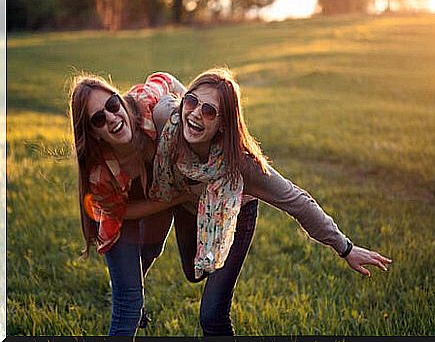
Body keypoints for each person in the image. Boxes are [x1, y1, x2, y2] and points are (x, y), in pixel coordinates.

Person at [148, 67, 393, 336]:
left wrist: (345, 248)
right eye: (192, 102)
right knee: (193, 273)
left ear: (224, 124)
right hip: (188, 207)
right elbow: (150, 94)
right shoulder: (167, 119)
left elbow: (297, 201)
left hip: (234, 216)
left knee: (212, 315)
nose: (195, 113)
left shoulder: (242, 164)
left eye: (209, 111)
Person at [69, 71, 192, 336]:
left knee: (151, 252)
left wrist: (189, 114)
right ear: (94, 133)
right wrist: (180, 197)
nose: (112, 118)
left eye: (112, 105)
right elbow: (123, 212)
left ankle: (132, 282)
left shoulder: (144, 103)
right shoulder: (98, 172)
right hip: (119, 219)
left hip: (156, 194)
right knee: (128, 308)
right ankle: (128, 292)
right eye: (99, 119)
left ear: (120, 100)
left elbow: (165, 79)